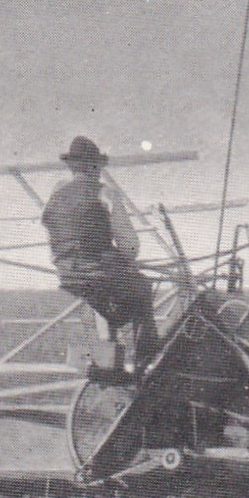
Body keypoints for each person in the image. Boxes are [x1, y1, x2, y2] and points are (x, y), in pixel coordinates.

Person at [41, 136, 159, 366]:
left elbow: (52, 230)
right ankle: (147, 357)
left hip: (67, 273)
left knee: (100, 303)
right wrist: (123, 258)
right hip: (98, 270)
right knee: (142, 289)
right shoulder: (105, 193)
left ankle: (107, 359)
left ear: (72, 166)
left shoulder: (55, 195)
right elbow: (130, 246)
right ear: (96, 166)